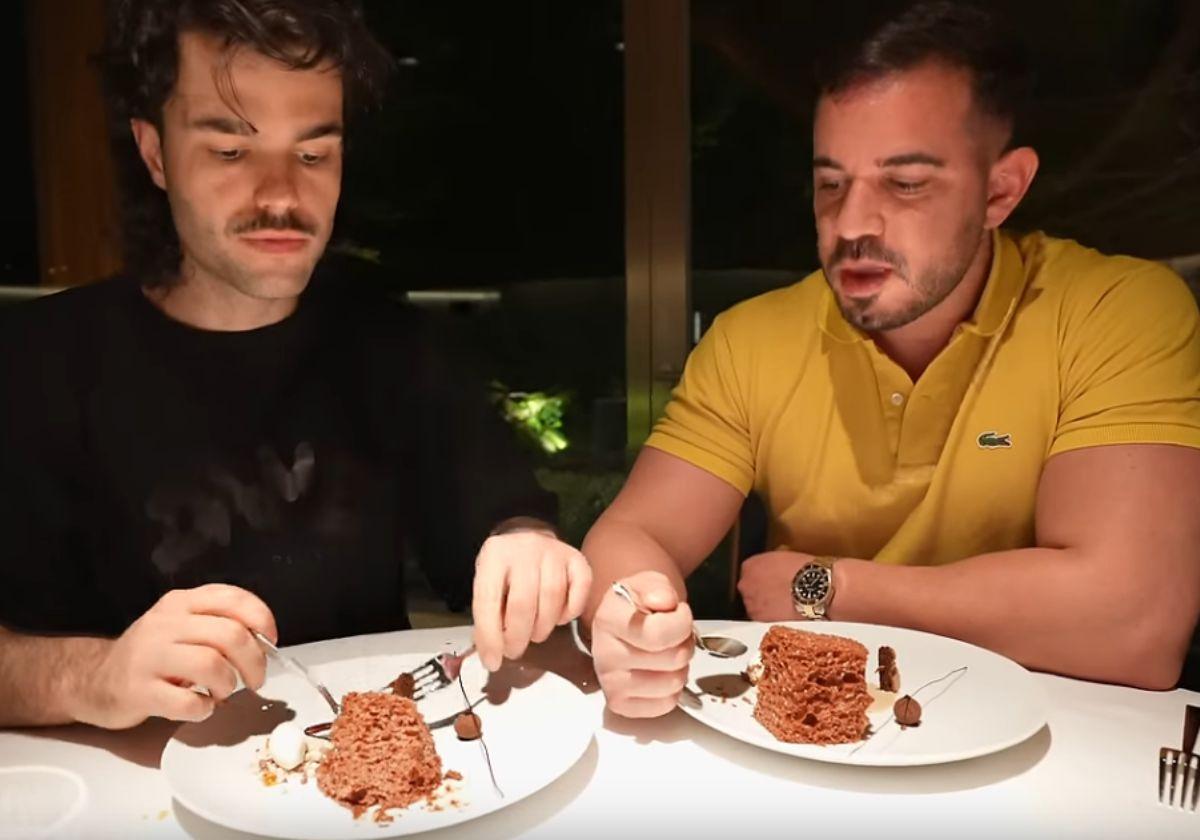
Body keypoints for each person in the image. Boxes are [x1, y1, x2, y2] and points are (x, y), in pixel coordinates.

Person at [581, 0, 1200, 718]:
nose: (850, 225)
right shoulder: (754, 338)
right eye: (831, 183)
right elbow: (633, 535)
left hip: (1046, 745)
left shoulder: (1113, 310)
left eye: (906, 184)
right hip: (812, 729)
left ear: (1001, 190)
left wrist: (826, 587)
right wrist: (633, 618)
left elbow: (1135, 628)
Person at [0, 0, 589, 730]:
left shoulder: (392, 348)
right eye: (230, 151)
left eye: (313, 154)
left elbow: (503, 522)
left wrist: (526, 548)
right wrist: (91, 677)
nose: (282, 194)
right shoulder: (36, 366)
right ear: (155, 154)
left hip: (363, 781)